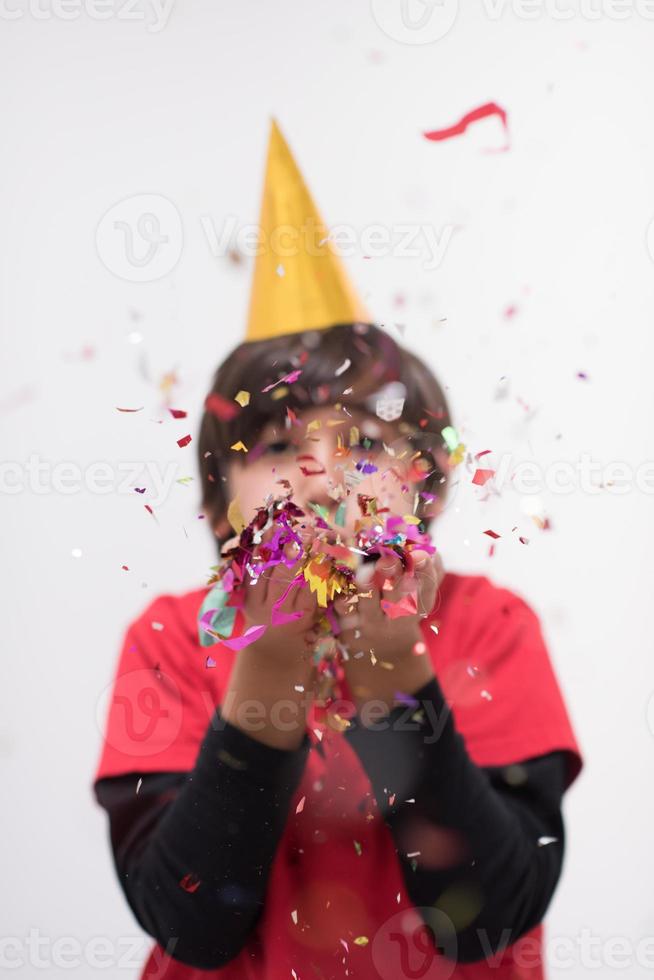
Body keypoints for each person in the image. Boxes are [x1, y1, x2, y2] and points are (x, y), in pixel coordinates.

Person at [92, 121, 584, 980]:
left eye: (363, 444)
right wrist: (272, 664)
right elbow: (191, 925)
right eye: (278, 447)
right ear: (216, 502)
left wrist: (393, 666)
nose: (321, 480)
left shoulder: (492, 627)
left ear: (425, 485)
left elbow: (486, 918)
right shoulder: (171, 639)